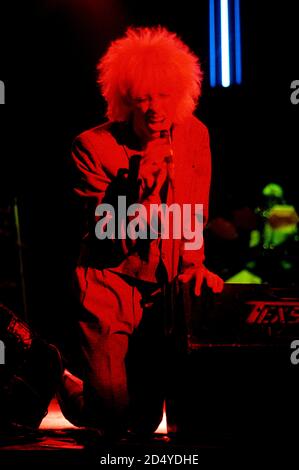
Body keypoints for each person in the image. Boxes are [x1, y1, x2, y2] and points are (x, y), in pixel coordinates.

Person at [0, 26, 223, 439]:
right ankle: (57, 374)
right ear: (125, 97)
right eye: (143, 96)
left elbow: (194, 210)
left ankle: (94, 389)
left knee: (144, 422)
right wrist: (141, 183)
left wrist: (195, 264)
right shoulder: (91, 147)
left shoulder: (196, 135)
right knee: (115, 419)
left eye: (163, 95)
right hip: (109, 283)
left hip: (162, 287)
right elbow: (108, 236)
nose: (154, 107)